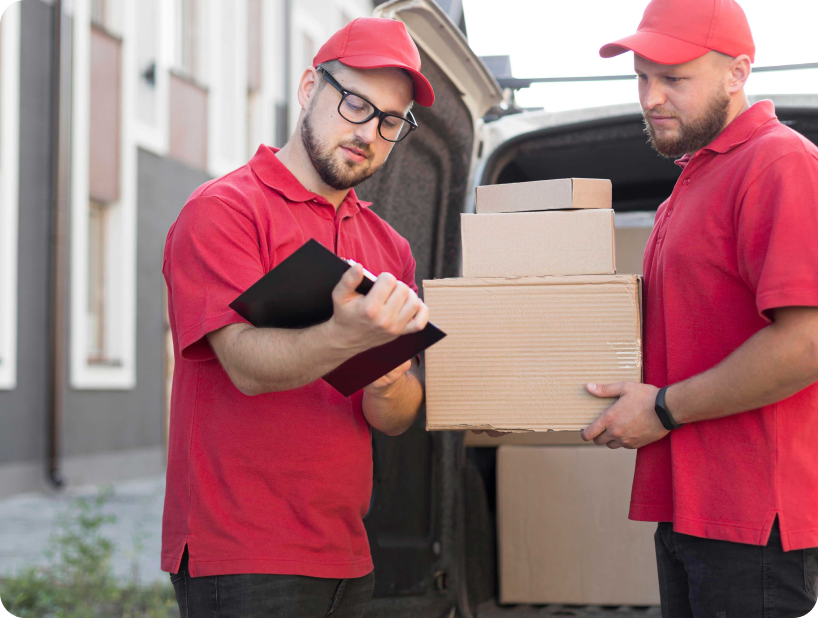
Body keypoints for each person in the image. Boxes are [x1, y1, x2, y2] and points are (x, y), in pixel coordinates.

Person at [160, 17, 435, 617]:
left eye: (392, 122)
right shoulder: (224, 211)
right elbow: (246, 367)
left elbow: (395, 417)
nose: (370, 133)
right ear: (311, 87)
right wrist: (344, 336)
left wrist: (388, 378)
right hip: (241, 555)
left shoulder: (391, 248)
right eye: (356, 105)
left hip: (348, 552)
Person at [581, 0, 818, 616]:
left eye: (674, 78)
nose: (651, 97)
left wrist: (662, 408)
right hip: (691, 513)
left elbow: (807, 343)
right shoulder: (693, 180)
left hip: (757, 524)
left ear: (738, 73)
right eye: (641, 77)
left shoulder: (778, 163)